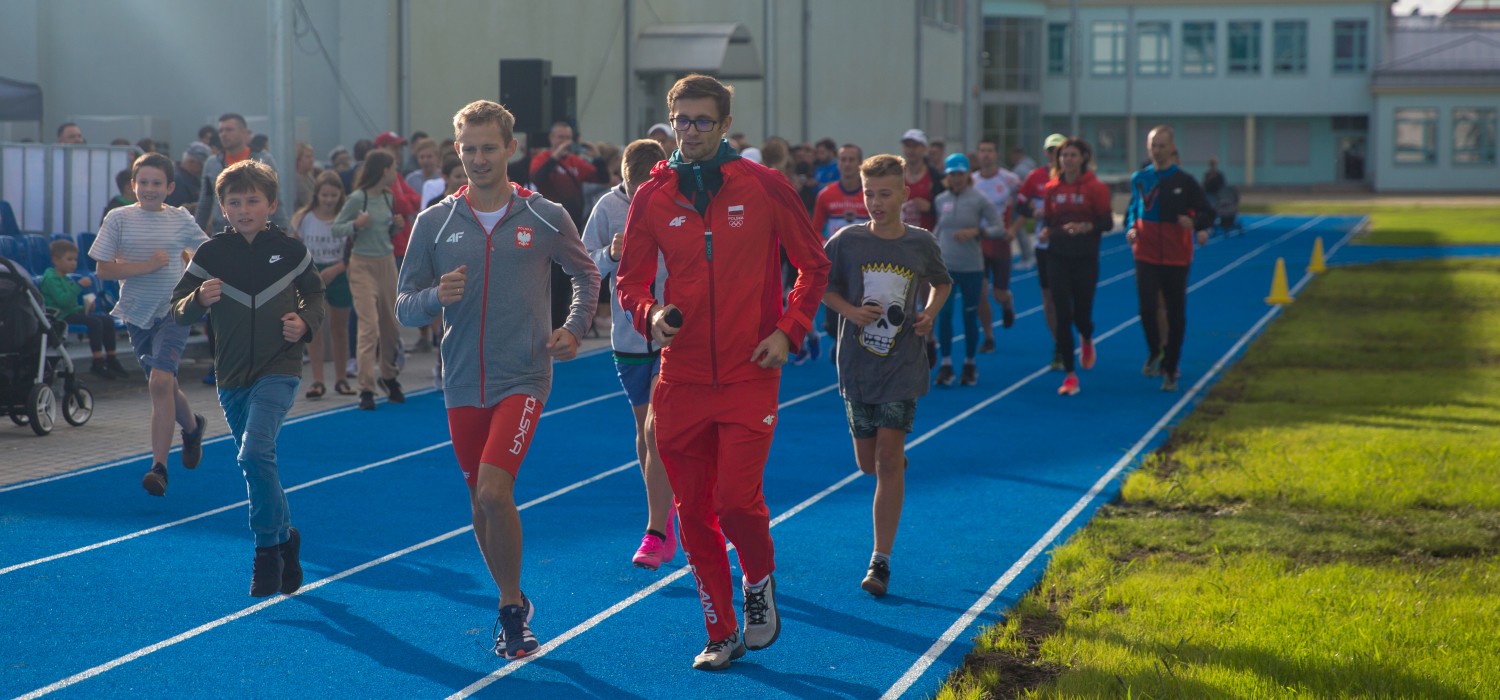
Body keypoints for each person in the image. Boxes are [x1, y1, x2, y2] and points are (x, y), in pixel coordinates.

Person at [616, 73, 830, 671]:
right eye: (682, 120)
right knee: (693, 514)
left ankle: (759, 582)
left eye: (703, 120)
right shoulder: (653, 196)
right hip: (680, 379)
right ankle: (720, 630)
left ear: (726, 125)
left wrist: (789, 331)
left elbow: (813, 265)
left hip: (748, 372)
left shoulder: (763, 186)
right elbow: (631, 281)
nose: (691, 131)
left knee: (737, 502)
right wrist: (650, 313)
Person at [396, 100, 599, 661]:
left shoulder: (544, 216)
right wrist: (437, 296)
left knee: (493, 490)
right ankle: (515, 600)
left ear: (511, 149)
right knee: (478, 501)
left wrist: (574, 327)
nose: (478, 159)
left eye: (489, 148)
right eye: (468, 149)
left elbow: (586, 273)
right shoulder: (434, 222)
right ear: (456, 151)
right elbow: (405, 307)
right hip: (461, 381)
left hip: (524, 376)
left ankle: (511, 610)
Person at [171, 159, 324, 598]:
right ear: (221, 207)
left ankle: (264, 553)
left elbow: (315, 293)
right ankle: (286, 540)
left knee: (253, 452)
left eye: (252, 200)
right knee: (260, 465)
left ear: (271, 204)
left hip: (280, 366)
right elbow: (178, 306)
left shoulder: (291, 250)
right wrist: (198, 297)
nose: (243, 209)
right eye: (234, 202)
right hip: (231, 374)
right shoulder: (211, 254)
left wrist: (306, 323)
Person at [823, 153, 950, 597]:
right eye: (868, 193)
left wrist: (930, 313)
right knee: (866, 464)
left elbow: (942, 281)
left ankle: (880, 561)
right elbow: (821, 285)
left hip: (902, 364)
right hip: (857, 366)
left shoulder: (920, 243)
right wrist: (852, 312)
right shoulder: (845, 242)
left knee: (887, 460)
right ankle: (891, 466)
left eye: (884, 194)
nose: (875, 202)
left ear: (904, 194)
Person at [582, 138, 678, 570]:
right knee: (644, 434)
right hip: (628, 336)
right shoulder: (607, 208)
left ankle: (656, 529)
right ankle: (666, 510)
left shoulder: (678, 198)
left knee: (659, 430)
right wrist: (609, 254)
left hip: (672, 332)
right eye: (631, 189)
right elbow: (583, 262)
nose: (639, 198)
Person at [90, 152, 209, 497]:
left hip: (174, 310)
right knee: (165, 385)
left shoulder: (180, 219)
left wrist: (196, 279)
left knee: (160, 382)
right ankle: (192, 427)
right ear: (133, 185)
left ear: (170, 187)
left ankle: (159, 468)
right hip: (137, 313)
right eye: (143, 182)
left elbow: (208, 254)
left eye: (157, 183)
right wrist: (146, 266)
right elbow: (104, 270)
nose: (149, 189)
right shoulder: (119, 218)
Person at [1125, 125, 1215, 392]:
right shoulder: (1140, 178)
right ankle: (1156, 350)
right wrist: (1131, 226)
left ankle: (1170, 368)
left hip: (1176, 256)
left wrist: (1195, 223)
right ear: (1148, 147)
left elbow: (1207, 213)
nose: (1157, 150)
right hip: (1146, 252)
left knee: (1176, 314)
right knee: (1146, 308)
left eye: (1162, 145)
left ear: (1172, 149)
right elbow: (1133, 208)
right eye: (1153, 145)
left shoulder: (1185, 181)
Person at [333, 149, 405, 410]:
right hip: (362, 265)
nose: (396, 172)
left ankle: (389, 375)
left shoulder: (388, 197)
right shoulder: (357, 198)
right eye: (393, 167)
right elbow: (337, 227)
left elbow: (386, 231)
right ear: (383, 170)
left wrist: (395, 225)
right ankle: (366, 388)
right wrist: (356, 224)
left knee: (391, 324)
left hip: (386, 262)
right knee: (369, 325)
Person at [1040, 137, 1113, 396]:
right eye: (1064, 155)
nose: (1067, 159)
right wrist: (1047, 232)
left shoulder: (1096, 188)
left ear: (1083, 158)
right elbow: (1048, 221)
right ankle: (1070, 375)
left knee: (1081, 314)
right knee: (1062, 314)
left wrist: (1086, 227)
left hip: (1085, 258)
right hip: (1057, 256)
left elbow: (1107, 222)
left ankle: (1086, 336)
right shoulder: (1052, 188)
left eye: (1072, 155)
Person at [931, 153, 1001, 388]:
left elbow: (998, 227)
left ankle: (970, 363)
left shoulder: (980, 199)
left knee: (970, 315)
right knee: (945, 314)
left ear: (968, 175)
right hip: (945, 267)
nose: (956, 178)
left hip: (972, 266)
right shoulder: (941, 199)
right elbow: (939, 228)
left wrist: (976, 232)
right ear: (947, 177)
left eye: (960, 173)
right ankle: (947, 363)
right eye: (952, 174)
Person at [291, 171, 354, 399]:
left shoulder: (345, 218)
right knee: (313, 328)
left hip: (338, 271)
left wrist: (336, 269)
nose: (328, 200)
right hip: (311, 270)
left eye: (333, 195)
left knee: (339, 328)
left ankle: (341, 377)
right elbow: (296, 249)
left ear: (340, 196)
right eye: (325, 195)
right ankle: (317, 379)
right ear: (317, 194)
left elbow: (352, 252)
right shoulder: (303, 218)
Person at [810, 144, 870, 358]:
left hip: (865, 265)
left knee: (862, 310)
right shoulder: (826, 195)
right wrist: (826, 245)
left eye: (851, 159)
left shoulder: (869, 194)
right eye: (843, 159)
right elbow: (815, 228)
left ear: (860, 164)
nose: (847, 164)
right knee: (832, 318)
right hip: (835, 263)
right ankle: (838, 339)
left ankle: (855, 347)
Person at [40, 240, 126, 379]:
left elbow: (69, 305)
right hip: (59, 316)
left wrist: (83, 308)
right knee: (95, 323)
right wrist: (78, 286)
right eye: (69, 259)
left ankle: (111, 359)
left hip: (68, 313)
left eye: (75, 259)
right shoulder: (51, 278)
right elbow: (63, 301)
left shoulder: (65, 278)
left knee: (107, 321)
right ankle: (97, 362)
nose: (73, 263)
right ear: (55, 260)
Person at [1015, 133, 1066, 363]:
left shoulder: (1073, 178)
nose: (1054, 154)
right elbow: (1020, 204)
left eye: (1060, 150)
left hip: (1069, 246)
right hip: (1044, 245)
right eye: (1051, 150)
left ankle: (1072, 336)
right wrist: (1032, 213)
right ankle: (1059, 343)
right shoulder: (1035, 177)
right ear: (1046, 153)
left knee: (1067, 298)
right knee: (1048, 298)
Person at [971, 139, 1023, 351]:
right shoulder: (971, 180)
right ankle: (989, 336)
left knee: (998, 294)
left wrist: (1014, 230)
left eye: (990, 151)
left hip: (1001, 242)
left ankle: (1007, 302)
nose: (986, 155)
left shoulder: (1010, 180)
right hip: (978, 243)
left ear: (996, 154)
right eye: (982, 151)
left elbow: (1024, 208)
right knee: (980, 293)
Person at [196, 113, 287, 234]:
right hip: (222, 231)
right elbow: (205, 201)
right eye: (221, 130)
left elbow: (275, 197)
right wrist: (197, 231)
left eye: (229, 130)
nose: (224, 134)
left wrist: (282, 229)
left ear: (243, 132)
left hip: (258, 230)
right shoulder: (212, 163)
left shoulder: (263, 159)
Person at [899, 129, 945, 232]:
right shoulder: (897, 175)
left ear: (924, 148)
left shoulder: (935, 177)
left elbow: (948, 207)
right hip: (901, 238)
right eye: (907, 146)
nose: (911, 150)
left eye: (915, 146)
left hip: (928, 238)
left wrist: (930, 208)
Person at [166, 142, 212, 211]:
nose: (204, 169)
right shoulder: (178, 181)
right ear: (192, 162)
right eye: (202, 165)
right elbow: (176, 209)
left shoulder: (181, 174)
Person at [294, 142, 317, 211]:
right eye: (308, 157)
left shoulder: (309, 177)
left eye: (312, 156)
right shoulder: (297, 180)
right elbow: (309, 201)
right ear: (298, 160)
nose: (312, 160)